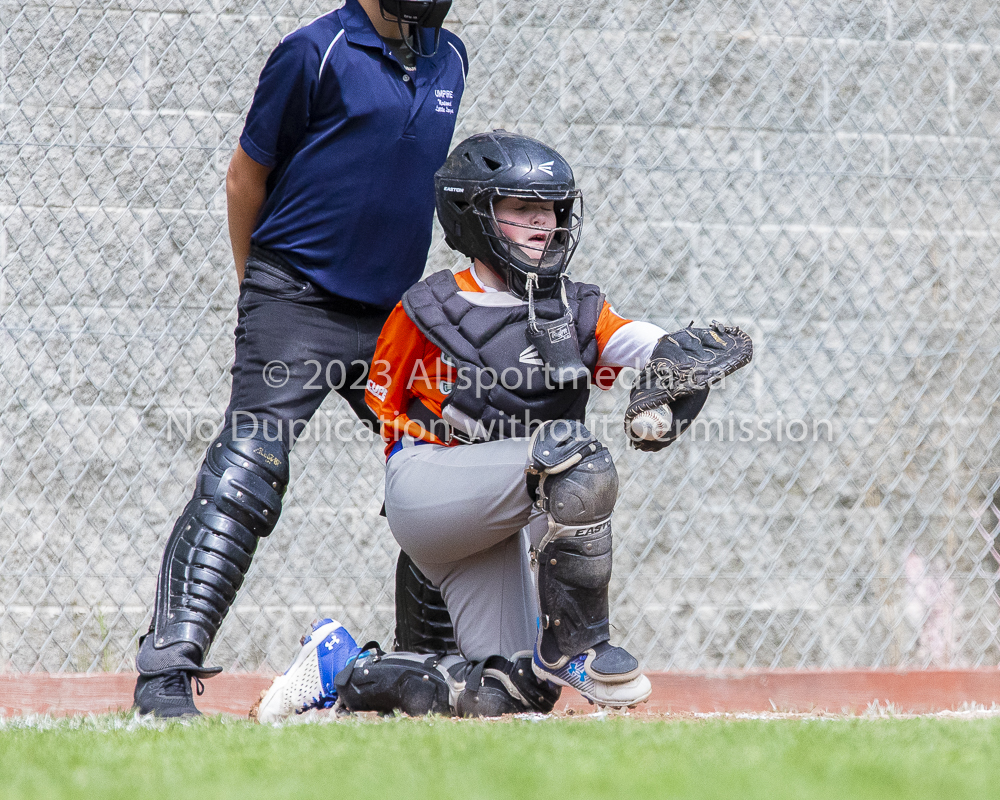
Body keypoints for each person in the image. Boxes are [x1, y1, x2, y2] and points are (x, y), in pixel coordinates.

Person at [252, 130, 749, 721]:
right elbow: (386, 408)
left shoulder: (576, 308)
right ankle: (580, 647)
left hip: (495, 519)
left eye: (550, 209)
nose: (542, 223)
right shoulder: (429, 306)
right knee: (576, 455)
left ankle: (342, 667)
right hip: (426, 490)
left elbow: (638, 344)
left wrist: (674, 361)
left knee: (509, 697)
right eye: (520, 208)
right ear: (472, 216)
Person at [133, 0, 468, 718]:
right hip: (296, 298)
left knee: (450, 465)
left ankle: (432, 671)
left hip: (391, 319)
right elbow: (243, 179)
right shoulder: (312, 53)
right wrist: (261, 293)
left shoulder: (451, 59)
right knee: (249, 468)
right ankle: (163, 677)